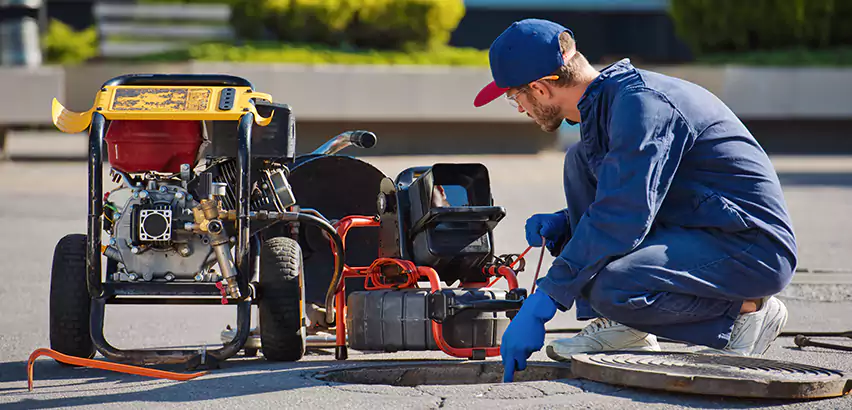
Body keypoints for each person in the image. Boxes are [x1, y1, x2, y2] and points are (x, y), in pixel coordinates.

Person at [472, 19, 798, 382]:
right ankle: (624, 330)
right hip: (703, 229)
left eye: (514, 96)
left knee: (613, 285)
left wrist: (543, 302)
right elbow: (633, 193)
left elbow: (621, 216)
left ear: (539, 88)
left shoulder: (641, 106)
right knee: (579, 162)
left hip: (750, 248)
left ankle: (746, 312)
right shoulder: (609, 108)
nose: (518, 108)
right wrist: (567, 221)